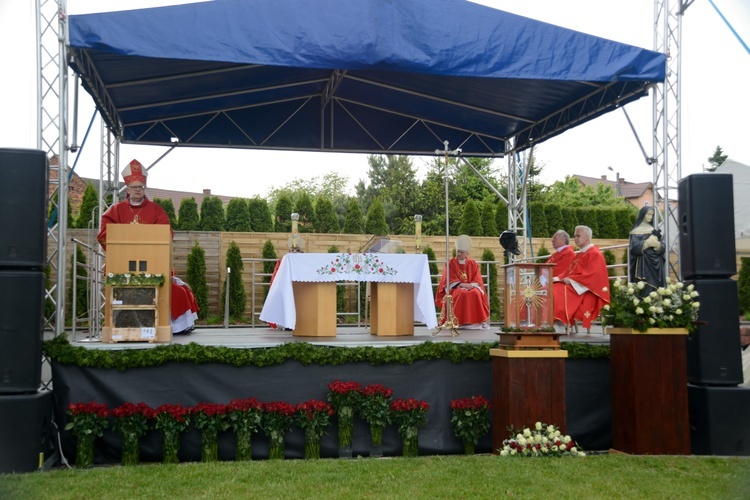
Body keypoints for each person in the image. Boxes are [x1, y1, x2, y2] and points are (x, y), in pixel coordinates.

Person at [97, 159, 199, 334]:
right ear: (127, 189)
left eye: (141, 186)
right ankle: (123, 328)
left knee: (177, 291)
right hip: (123, 264)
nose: (138, 189)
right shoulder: (115, 211)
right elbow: (105, 235)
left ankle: (169, 327)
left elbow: (167, 234)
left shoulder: (156, 210)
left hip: (152, 263)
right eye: (134, 186)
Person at [552, 225, 610, 329]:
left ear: (587, 237)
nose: (575, 239)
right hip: (574, 287)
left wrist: (570, 280)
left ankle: (557, 324)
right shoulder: (580, 254)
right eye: (574, 236)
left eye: (578, 236)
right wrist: (556, 278)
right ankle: (546, 322)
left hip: (586, 291)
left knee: (553, 293)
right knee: (547, 290)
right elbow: (568, 271)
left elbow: (592, 277)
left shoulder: (594, 254)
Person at [435, 235, 490, 329]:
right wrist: (461, 284)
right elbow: (448, 277)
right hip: (456, 288)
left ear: (466, 253)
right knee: (461, 293)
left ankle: (477, 322)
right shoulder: (450, 263)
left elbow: (477, 279)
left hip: (471, 287)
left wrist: (471, 285)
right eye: (457, 251)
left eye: (461, 252)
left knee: (476, 293)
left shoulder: (473, 264)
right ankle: (456, 321)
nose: (458, 254)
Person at [628, 205, 666, 296]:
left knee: (655, 288)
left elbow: (663, 247)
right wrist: (646, 243)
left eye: (652, 215)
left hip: (656, 264)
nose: (650, 217)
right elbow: (634, 248)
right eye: (648, 214)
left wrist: (657, 245)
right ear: (643, 215)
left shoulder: (654, 231)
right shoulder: (635, 231)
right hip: (642, 264)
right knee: (643, 287)